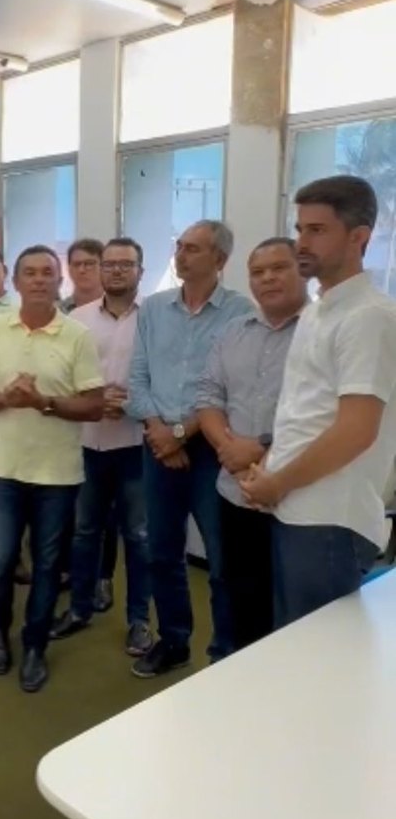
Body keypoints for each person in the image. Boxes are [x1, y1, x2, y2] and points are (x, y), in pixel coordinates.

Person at [241, 175, 396, 626]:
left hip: (330, 516)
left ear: (359, 237)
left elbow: (356, 430)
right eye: (299, 229)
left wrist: (278, 482)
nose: (302, 242)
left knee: (320, 651)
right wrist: (269, 468)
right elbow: (304, 412)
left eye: (317, 230)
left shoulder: (369, 317)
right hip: (297, 506)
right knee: (294, 640)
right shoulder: (318, 311)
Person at [0, 245, 104, 693]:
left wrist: (43, 401)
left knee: (47, 567)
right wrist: (8, 398)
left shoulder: (77, 335)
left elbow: (94, 405)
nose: (40, 279)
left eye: (48, 272)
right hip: (4, 470)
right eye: (30, 273)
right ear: (16, 281)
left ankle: (34, 646)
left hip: (58, 476)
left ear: (59, 280)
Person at [127, 220, 253, 679]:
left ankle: (225, 654)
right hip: (157, 444)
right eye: (179, 246)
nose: (180, 255)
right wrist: (159, 431)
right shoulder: (154, 308)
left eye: (192, 248)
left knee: (222, 560)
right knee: (161, 551)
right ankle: (174, 641)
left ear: (219, 259)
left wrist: (179, 434)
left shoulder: (240, 313)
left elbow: (232, 388)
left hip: (212, 449)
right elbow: (137, 378)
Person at [196, 237, 305, 649]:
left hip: (296, 496)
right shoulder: (233, 333)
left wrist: (258, 447)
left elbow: (327, 415)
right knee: (236, 593)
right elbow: (208, 396)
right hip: (235, 490)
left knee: (294, 606)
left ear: (302, 269)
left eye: (279, 268)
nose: (268, 278)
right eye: (258, 272)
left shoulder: (319, 331)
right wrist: (229, 449)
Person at [51, 237, 153, 657]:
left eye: (125, 264)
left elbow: (165, 377)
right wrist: (93, 401)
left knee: (139, 536)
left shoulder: (155, 318)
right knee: (84, 531)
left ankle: (139, 621)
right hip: (87, 444)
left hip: (137, 444)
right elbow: (61, 376)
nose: (115, 271)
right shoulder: (77, 319)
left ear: (140, 271)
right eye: (109, 264)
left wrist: (129, 403)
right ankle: (79, 608)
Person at [59, 237, 104, 313]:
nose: (81, 270)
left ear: (103, 267)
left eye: (89, 264)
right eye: (76, 264)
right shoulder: (58, 312)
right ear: (69, 269)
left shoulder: (117, 310)